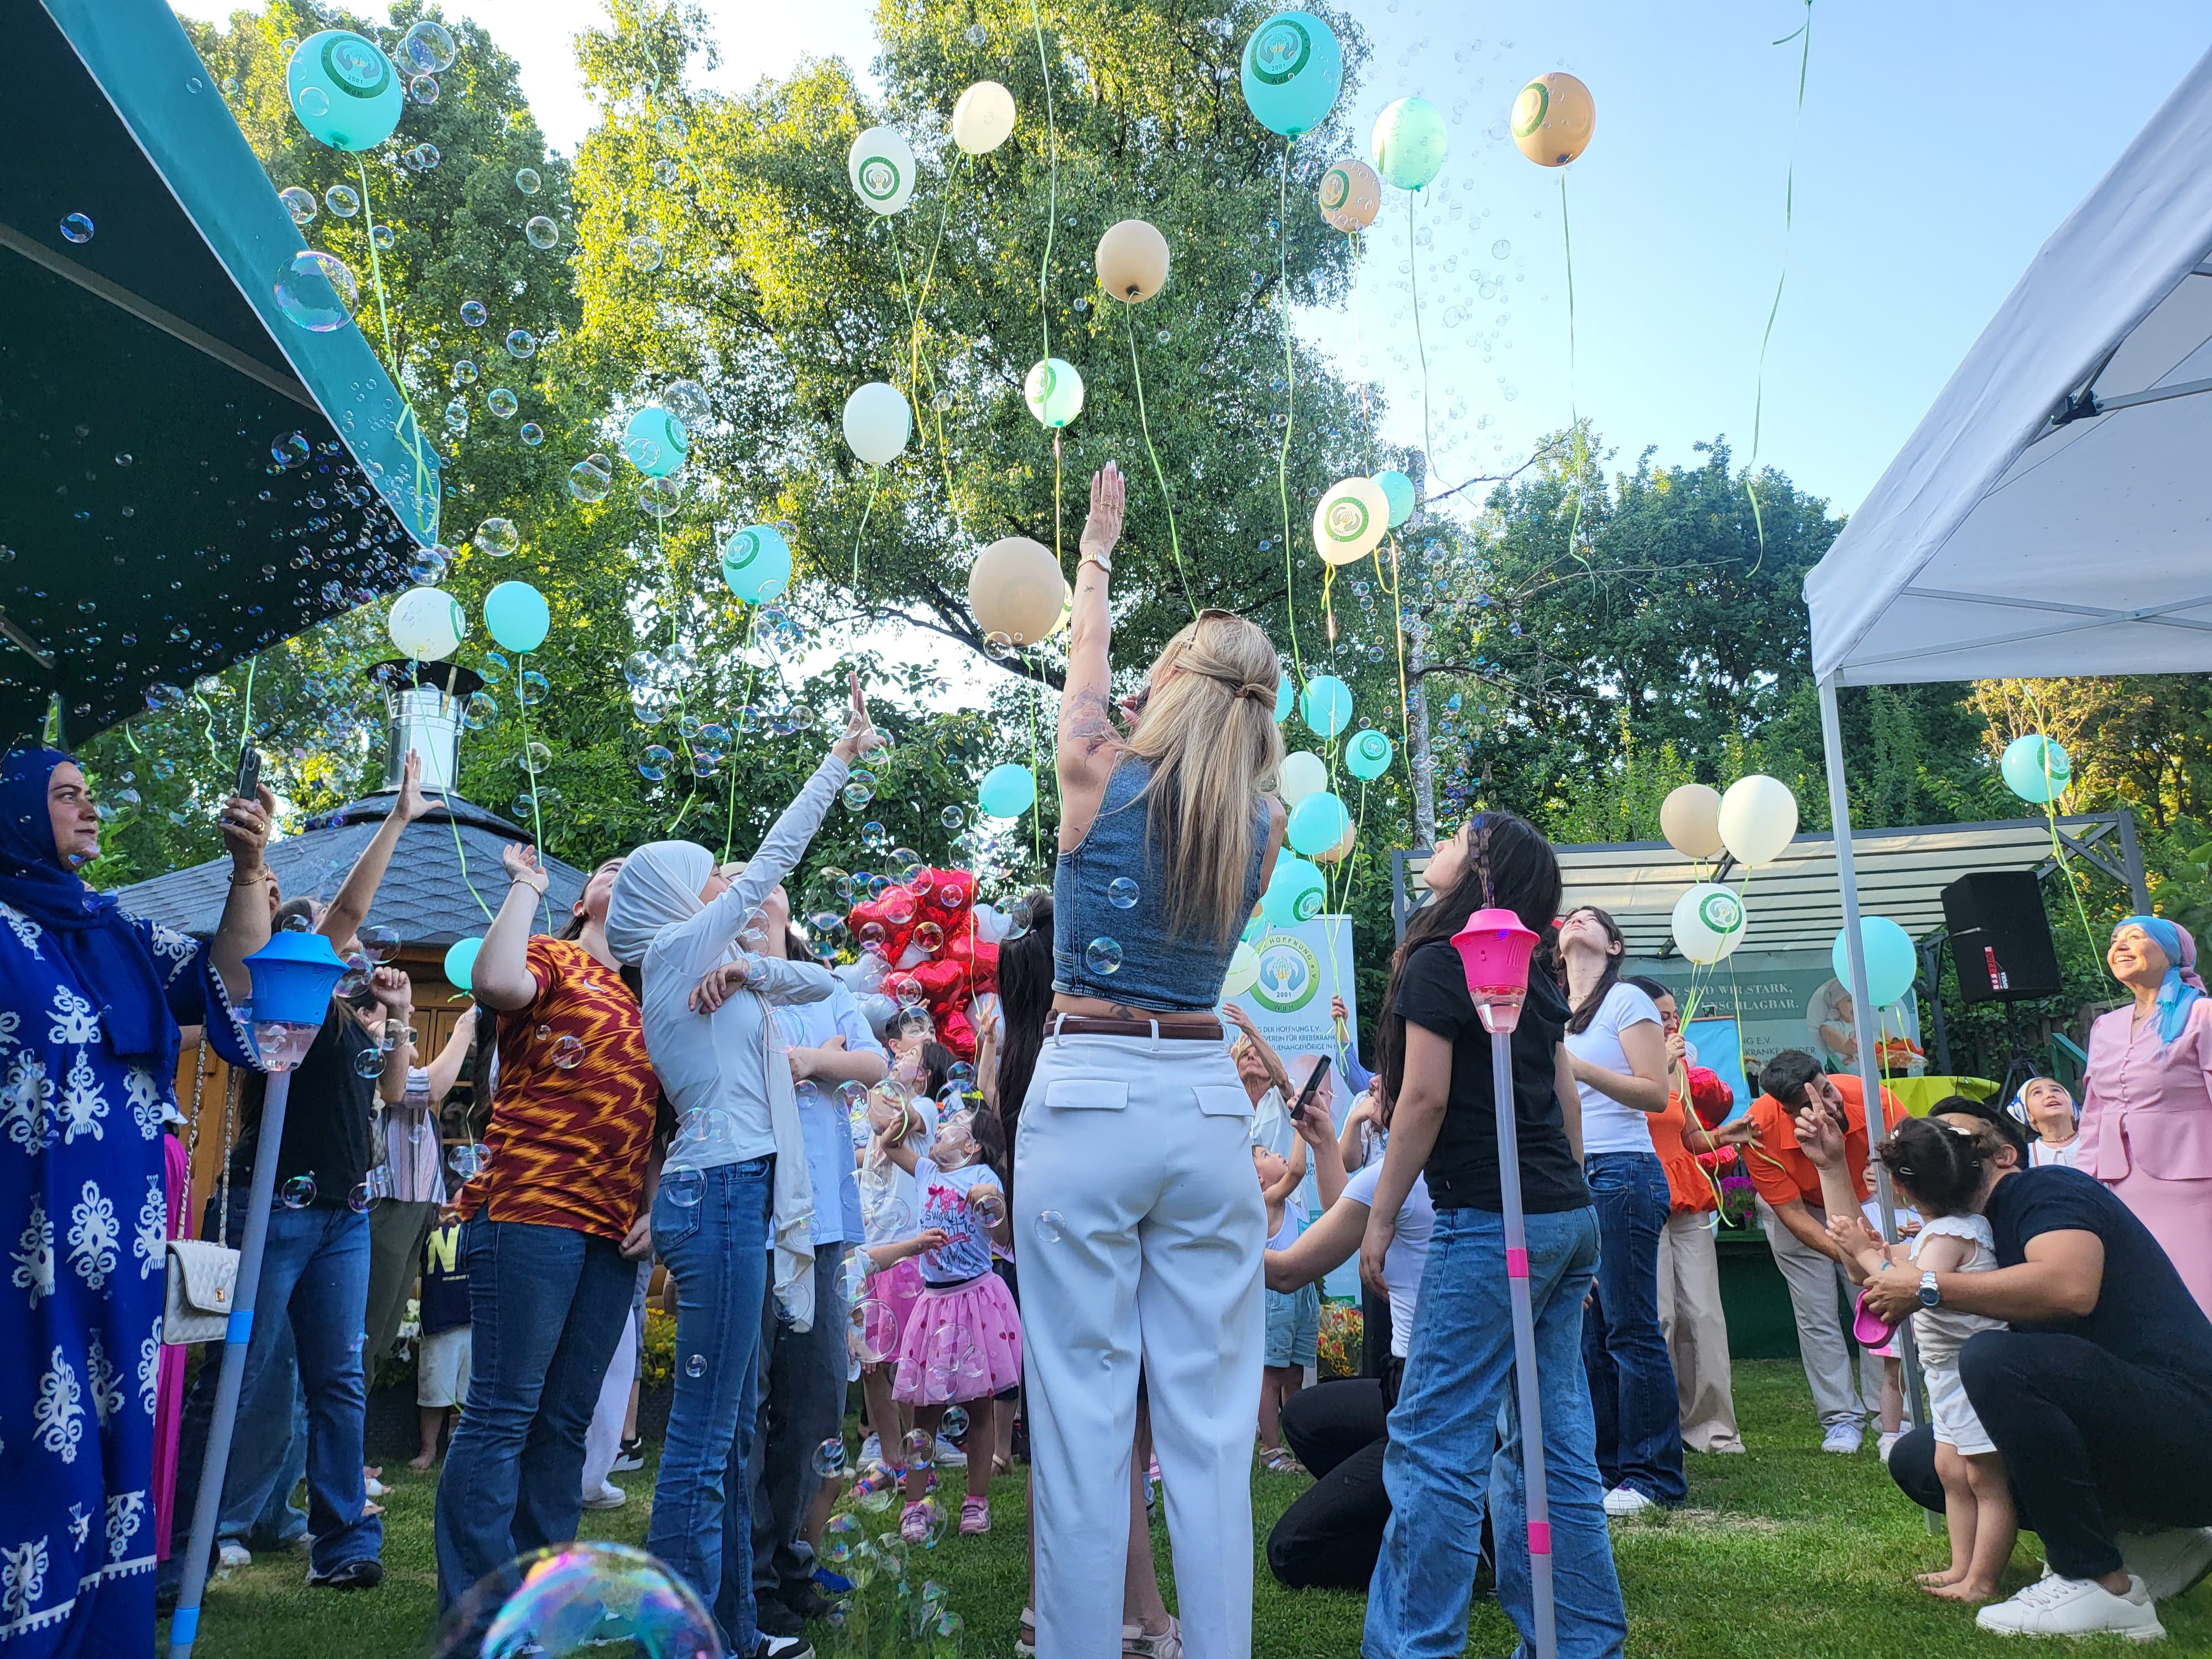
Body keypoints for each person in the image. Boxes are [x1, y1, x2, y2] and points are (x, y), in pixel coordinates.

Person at [1014, 462, 1287, 1659]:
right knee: (1213, 1427)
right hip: (1200, 1106)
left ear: (1172, 677)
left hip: (1084, 1096)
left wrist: (1096, 554)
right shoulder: (1264, 823)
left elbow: (1082, 677)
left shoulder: (1097, 769)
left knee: (1081, 1416)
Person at [607, 674, 882, 1659]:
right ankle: (682, 1637)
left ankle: (728, 1627)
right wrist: (838, 760)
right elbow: (774, 860)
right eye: (706, 878)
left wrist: (756, 968)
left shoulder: (702, 966)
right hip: (720, 1195)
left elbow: (822, 979)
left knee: (720, 1439)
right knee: (700, 1443)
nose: (727, 889)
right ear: (678, 898)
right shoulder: (682, 946)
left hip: (727, 1193)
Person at [0, 748, 268, 1655]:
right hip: (23, 1255)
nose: (89, 809)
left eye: (88, 794)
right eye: (65, 796)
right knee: (42, 1458)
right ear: (19, 814)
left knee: (115, 1461)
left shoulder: (114, 929)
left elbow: (230, 983)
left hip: (123, 1254)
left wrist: (245, 873)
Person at [165, 752, 437, 1600]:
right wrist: (395, 820)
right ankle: (188, 1541)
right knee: (241, 1375)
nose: (332, 934)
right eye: (307, 921)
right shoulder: (277, 994)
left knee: (338, 1376)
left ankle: (341, 1539)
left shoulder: (347, 1018)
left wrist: (394, 1020)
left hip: (342, 1215)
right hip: (272, 1206)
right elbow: (352, 906)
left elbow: (391, 1097)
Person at [1360, 811, 1625, 1659]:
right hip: (1561, 1217)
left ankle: (1413, 1647)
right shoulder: (1536, 975)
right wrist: (1573, 1215)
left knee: (1437, 1445)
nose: (1432, 849)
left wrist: (1381, 1212)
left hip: (1491, 1223)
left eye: (1451, 840)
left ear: (1481, 871)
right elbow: (1568, 1101)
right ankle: (1578, 1644)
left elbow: (1424, 1101)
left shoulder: (1441, 964)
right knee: (1553, 1444)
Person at [1813, 1097, 2212, 1639]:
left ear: (2003, 1155)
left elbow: (2069, 1289)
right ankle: (2152, 1534)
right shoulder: (1963, 1230)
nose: (1936, 1148)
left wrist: (1929, 1287)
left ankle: (2097, 1581)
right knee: (1921, 1458)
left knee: (1997, 1361)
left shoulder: (2044, 1189)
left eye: (1953, 1137)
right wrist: (1832, 1168)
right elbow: (1878, 1274)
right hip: (2128, 1436)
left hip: (2188, 1429)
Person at [433, 846, 659, 1610]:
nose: (623, 873)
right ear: (582, 898)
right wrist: (528, 888)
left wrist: (654, 1213)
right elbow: (493, 982)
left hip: (612, 1231)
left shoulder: (652, 1001)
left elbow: (659, 1130)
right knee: (503, 1413)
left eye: (639, 871)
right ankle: (478, 1609)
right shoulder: (552, 958)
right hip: (530, 1209)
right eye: (609, 867)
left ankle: (540, 1600)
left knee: (564, 1424)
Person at [748, 912, 888, 1640]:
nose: (751, 907)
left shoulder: (825, 989)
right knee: (751, 1409)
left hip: (824, 1230)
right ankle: (755, 1578)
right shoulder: (724, 989)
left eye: (764, 895)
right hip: (751, 1227)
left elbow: (875, 1067)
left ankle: (793, 1561)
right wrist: (817, 1060)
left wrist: (810, 1061)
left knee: (813, 1408)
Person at [1831, 1117, 2015, 1601]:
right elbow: (1908, 1268)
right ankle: (1961, 1565)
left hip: (1973, 1372)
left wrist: (1862, 1254)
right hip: (1946, 1373)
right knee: (1953, 1472)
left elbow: (1912, 1288)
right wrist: (1878, 1252)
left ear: (1901, 1186)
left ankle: (1982, 1579)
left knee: (1985, 1478)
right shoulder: (1941, 1231)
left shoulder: (1955, 1234)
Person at [1262, 1089, 1420, 1592]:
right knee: (1304, 1417)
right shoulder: (1403, 1169)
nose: (1370, 1089)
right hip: (1405, 1390)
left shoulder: (1407, 1174)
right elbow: (1347, 1218)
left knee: (1290, 1552)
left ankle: (1439, 1538)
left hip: (1426, 1405)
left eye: (1381, 1082)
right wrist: (1328, 1146)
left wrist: (1203, 1244)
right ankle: (1412, 1507)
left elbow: (1288, 1271)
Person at [1557, 909, 1682, 1514]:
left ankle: (1653, 1476)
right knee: (1589, 1331)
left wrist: (1579, 1068)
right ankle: (1609, 1473)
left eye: (1592, 919)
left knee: (1629, 1328)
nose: (1576, 919)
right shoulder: (1551, 1009)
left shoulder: (1626, 999)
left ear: (1614, 945)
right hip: (1571, 1177)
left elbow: (1654, 1092)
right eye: (1570, 917)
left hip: (1621, 1170)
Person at [1742, 1048, 1903, 1452]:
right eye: (1810, 1104)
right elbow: (1792, 1214)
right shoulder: (1759, 1128)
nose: (1829, 1106)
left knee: (1877, 1304)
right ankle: (1841, 1420)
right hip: (1801, 1210)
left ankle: (1887, 1415)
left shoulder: (1877, 1100)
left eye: (1828, 1091)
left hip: (1865, 1203)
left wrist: (1869, 1252)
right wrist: (1852, 1255)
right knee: (1816, 1314)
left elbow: (1909, 1172)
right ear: (1785, 1110)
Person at [1623, 977, 1752, 1456]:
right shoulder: (1614, 1062)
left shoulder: (1678, 1070)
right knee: (1657, 1317)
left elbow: (1689, 1137)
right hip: (1638, 1191)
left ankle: (1714, 1431)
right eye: (1660, 1015)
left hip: (1688, 1194)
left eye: (1673, 1014)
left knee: (1703, 1315)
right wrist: (1661, 1063)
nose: (1672, 1022)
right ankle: (1658, 1431)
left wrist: (1727, 1135)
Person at [879, 1104, 1020, 1540]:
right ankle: (914, 1508)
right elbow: (888, 1145)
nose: (941, 1131)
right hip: (935, 1304)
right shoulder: (926, 1172)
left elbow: (1002, 1237)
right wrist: (903, 1117)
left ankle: (976, 1503)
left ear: (972, 1146)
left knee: (979, 1408)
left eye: (953, 1127)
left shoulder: (984, 1180)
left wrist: (990, 1203)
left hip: (975, 1300)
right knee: (926, 1411)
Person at [2077, 916, 2212, 1316]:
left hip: (2194, 1184)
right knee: (2146, 1305)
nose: (2120, 945)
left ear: (2172, 954)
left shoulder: (2202, 1014)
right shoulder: (2104, 1026)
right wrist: (2083, 1185)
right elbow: (2094, 1113)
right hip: (2120, 1186)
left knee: (2197, 1298)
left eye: (2135, 938)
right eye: (2115, 938)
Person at [364, 996, 476, 1367]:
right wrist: (463, 1030)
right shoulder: (377, 1065)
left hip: (414, 1210)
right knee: (369, 1325)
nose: (408, 1013)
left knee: (384, 1329)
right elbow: (433, 1088)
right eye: (395, 1013)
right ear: (366, 1017)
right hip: (388, 1207)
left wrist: (437, 1198)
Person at [1255, 1126, 1316, 1474]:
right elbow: (1295, 1171)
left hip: (1302, 1295)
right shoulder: (1267, 1202)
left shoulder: (1292, 1204)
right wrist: (1300, 1126)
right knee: (1273, 1374)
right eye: (1265, 1156)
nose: (1276, 1155)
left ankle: (1300, 1444)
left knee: (1295, 1374)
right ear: (1260, 1181)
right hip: (1277, 1298)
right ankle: (1270, 1448)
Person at [411, 1213, 471, 1471]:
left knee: (472, 1393)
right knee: (433, 1391)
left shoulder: (480, 1222)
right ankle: (429, 1447)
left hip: (475, 1318)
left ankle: (465, 1448)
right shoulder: (430, 1223)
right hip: (439, 1319)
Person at [2012, 1075, 2083, 1170]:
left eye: (2056, 1090)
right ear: (2029, 1115)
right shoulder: (2025, 1155)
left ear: (2073, 1109)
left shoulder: (2094, 1142)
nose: (2050, 1095)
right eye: (2037, 1093)